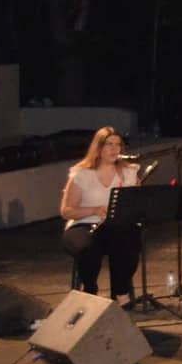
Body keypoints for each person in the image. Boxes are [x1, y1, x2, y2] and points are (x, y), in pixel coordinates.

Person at [59, 127, 142, 304]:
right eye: (109, 144)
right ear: (98, 148)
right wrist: (94, 210)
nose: (114, 149)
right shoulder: (82, 174)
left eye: (118, 145)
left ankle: (121, 292)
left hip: (115, 224)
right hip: (84, 224)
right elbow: (66, 210)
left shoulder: (129, 172)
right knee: (89, 248)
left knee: (129, 242)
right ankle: (90, 290)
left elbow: (136, 205)